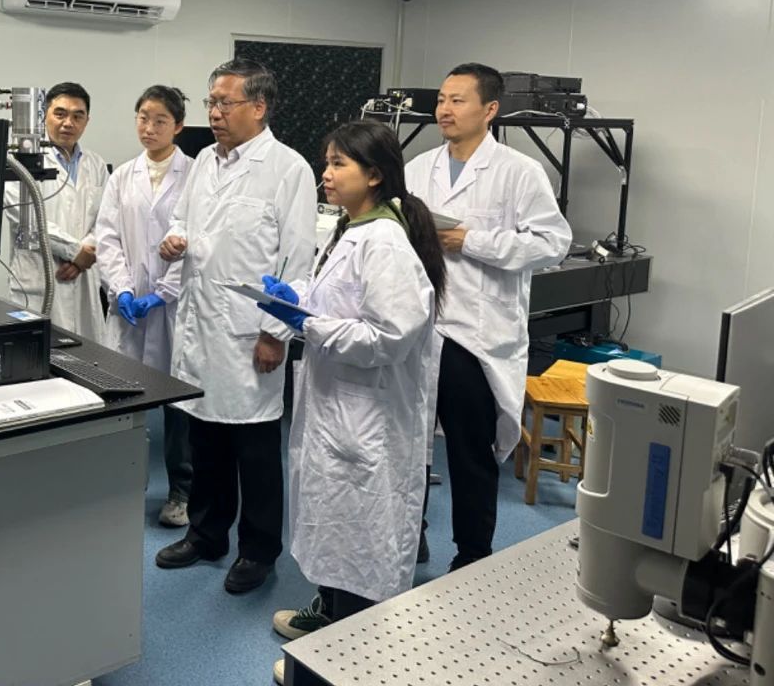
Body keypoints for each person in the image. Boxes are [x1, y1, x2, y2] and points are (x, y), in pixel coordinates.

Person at [257, 121, 444, 684]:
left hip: (367, 417)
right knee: (335, 523)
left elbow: (391, 336)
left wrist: (307, 325)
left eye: (339, 164)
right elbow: (342, 302)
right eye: (327, 161)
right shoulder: (351, 228)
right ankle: (329, 616)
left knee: (361, 534)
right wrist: (299, 299)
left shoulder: (385, 242)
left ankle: (349, 658)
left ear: (375, 175)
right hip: (337, 406)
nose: (327, 173)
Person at [152, 58, 316, 595]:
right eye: (212, 103)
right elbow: (185, 218)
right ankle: (206, 535)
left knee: (255, 450)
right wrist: (176, 239)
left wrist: (275, 332)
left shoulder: (288, 168)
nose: (215, 113)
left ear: (259, 107)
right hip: (202, 325)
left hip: (250, 334)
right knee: (205, 440)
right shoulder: (205, 159)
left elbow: (296, 261)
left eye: (225, 103)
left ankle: (258, 550)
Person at [406, 63, 571, 570]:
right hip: (420, 326)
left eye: (457, 100)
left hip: (476, 335)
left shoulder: (519, 171)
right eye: (441, 99)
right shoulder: (418, 168)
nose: (444, 109)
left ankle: (472, 554)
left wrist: (471, 241)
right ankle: (411, 533)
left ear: (490, 109)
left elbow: (553, 243)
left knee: (469, 452)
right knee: (410, 443)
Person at [94, 85, 194, 527]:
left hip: (174, 310)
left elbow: (194, 243)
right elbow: (108, 239)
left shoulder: (195, 175)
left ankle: (181, 492)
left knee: (179, 406)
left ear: (178, 126)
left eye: (159, 121)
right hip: (129, 307)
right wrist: (122, 290)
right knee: (124, 398)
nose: (149, 128)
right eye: (142, 118)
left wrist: (164, 292)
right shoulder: (122, 176)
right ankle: (123, 482)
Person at [5, 82, 109, 340]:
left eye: (77, 116)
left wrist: (84, 254)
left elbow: (107, 219)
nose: (68, 123)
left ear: (87, 121)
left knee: (87, 354)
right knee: (36, 353)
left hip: (83, 276)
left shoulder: (95, 164)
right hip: (39, 277)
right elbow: (24, 216)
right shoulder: (19, 160)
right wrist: (75, 252)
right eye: (60, 114)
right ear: (44, 116)